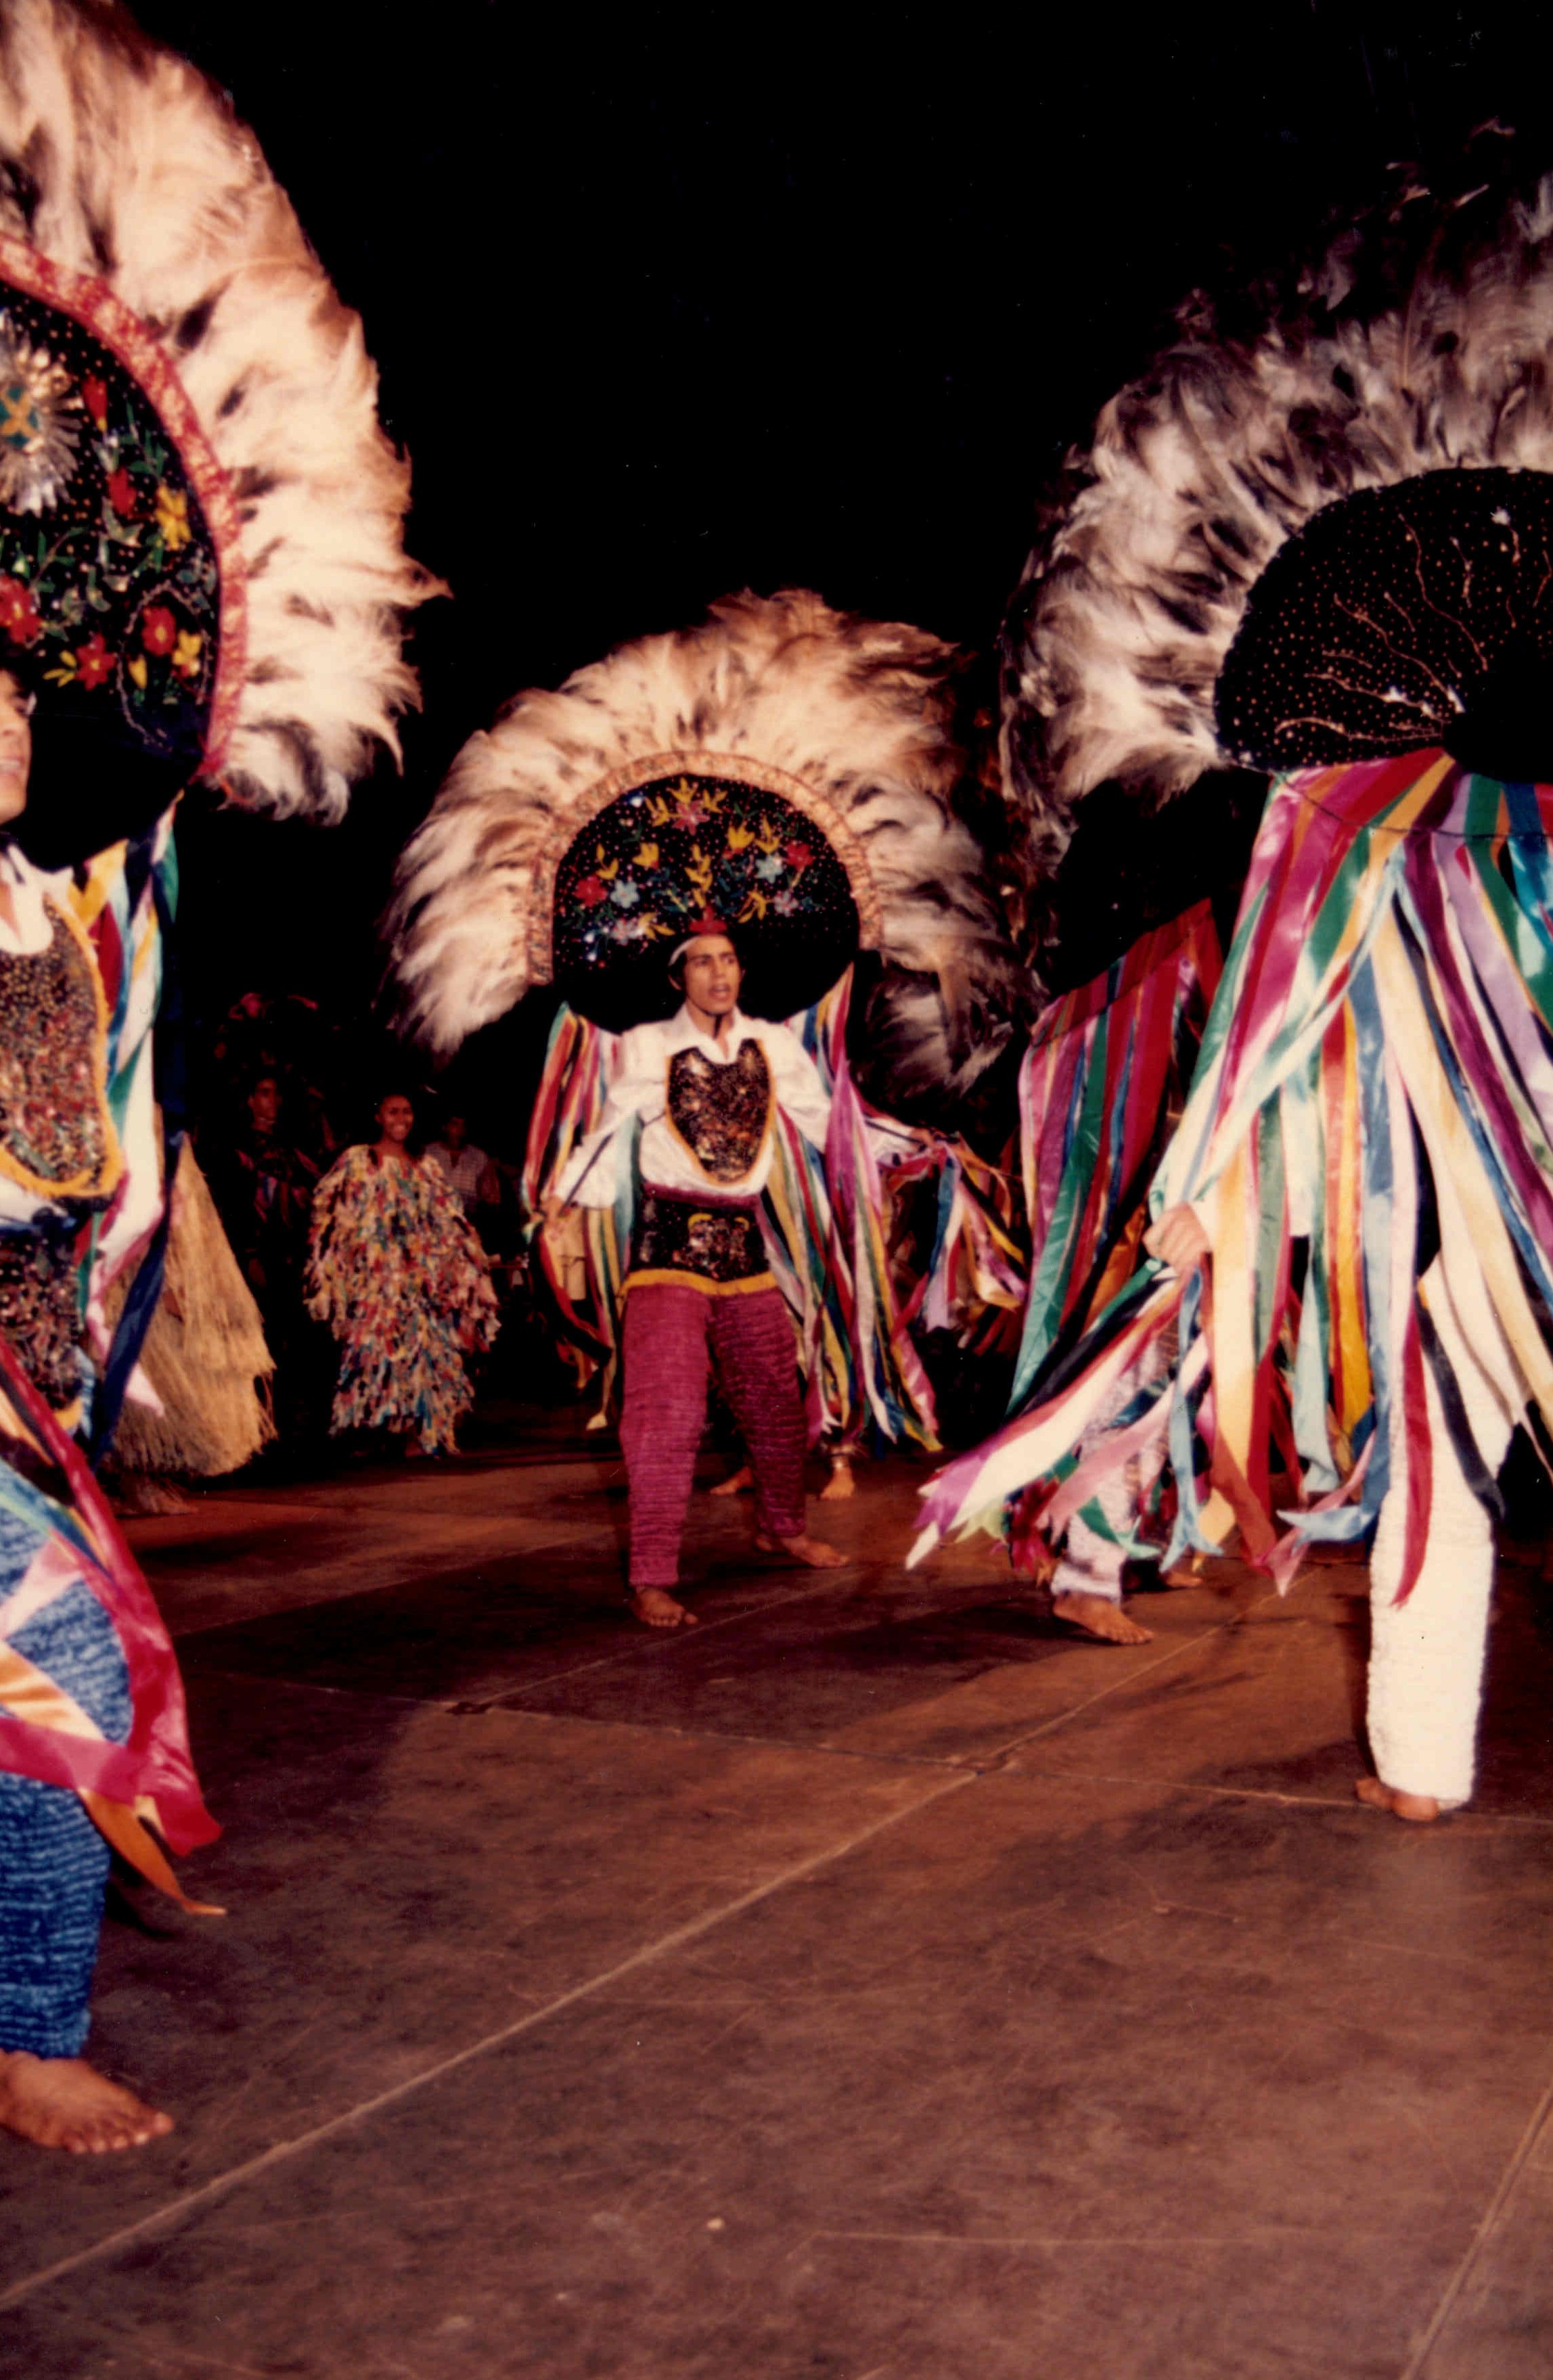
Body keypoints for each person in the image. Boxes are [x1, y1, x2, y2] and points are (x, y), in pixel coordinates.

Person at [548, 926, 847, 1628]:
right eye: (703, 961)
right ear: (678, 976)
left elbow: (829, 1125)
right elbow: (608, 1130)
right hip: (668, 1250)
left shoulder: (773, 1043)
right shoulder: (647, 1044)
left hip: (744, 1250)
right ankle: (650, 1577)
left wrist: (896, 1153)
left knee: (775, 1397)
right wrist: (563, 1201)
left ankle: (781, 1526)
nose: (719, 973)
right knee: (667, 1412)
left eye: (729, 959)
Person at [307, 1092, 499, 1457]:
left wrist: (464, 1260)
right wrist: (337, 1270)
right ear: (378, 1117)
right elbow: (332, 1215)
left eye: (407, 1112)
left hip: (420, 1277)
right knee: (375, 1352)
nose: (401, 1118)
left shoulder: (425, 1166)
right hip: (376, 1278)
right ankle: (373, 1429)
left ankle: (417, 1429)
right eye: (393, 1111)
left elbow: (447, 1218)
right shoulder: (359, 1160)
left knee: (423, 1350)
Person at [424, 1113, 500, 1235]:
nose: (460, 1130)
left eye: (463, 1125)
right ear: (444, 1127)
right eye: (455, 1124)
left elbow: (492, 1200)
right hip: (432, 1223)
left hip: (467, 1224)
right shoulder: (428, 1153)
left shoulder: (479, 1157)